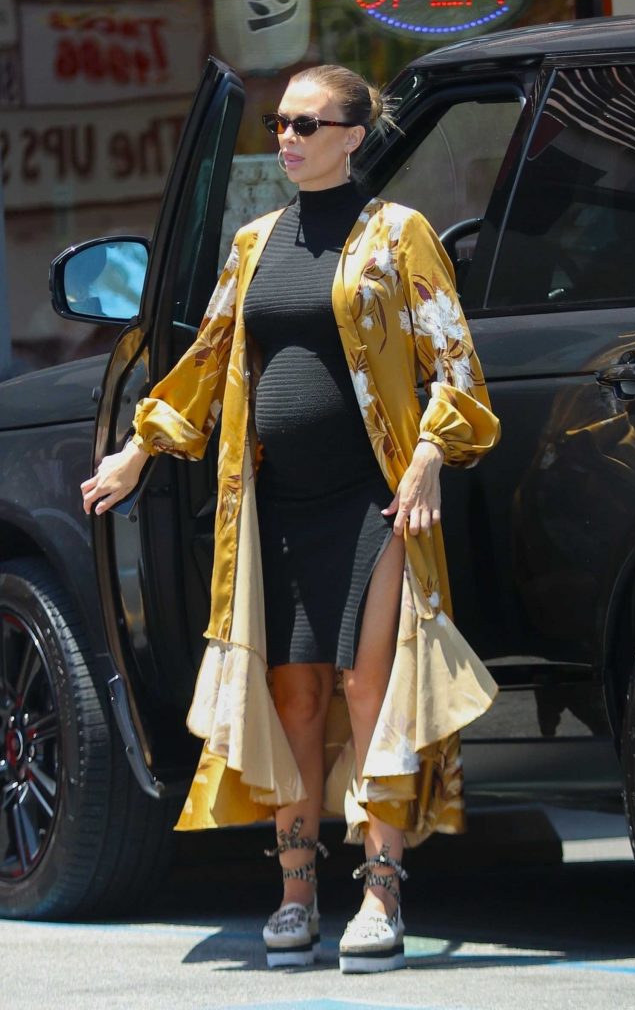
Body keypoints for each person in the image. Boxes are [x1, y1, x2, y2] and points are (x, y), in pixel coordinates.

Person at [80, 64, 501, 974]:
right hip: (273, 502)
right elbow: (207, 357)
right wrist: (139, 446)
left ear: (354, 135)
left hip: (374, 500)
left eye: (309, 124)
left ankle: (382, 888)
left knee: (366, 685)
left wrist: (430, 452)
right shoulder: (254, 241)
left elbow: (457, 370)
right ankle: (297, 892)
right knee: (294, 694)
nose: (288, 138)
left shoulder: (400, 236)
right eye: (279, 123)